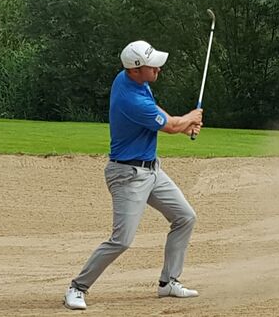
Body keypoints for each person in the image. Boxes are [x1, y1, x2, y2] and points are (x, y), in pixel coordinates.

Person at [64, 40, 203, 310]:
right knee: (122, 240)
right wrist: (190, 118)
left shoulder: (130, 80)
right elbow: (171, 126)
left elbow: (164, 117)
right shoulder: (132, 99)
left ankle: (168, 283)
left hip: (152, 170)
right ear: (137, 69)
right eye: (153, 66)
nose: (159, 70)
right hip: (127, 175)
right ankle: (77, 288)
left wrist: (184, 123)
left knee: (185, 217)